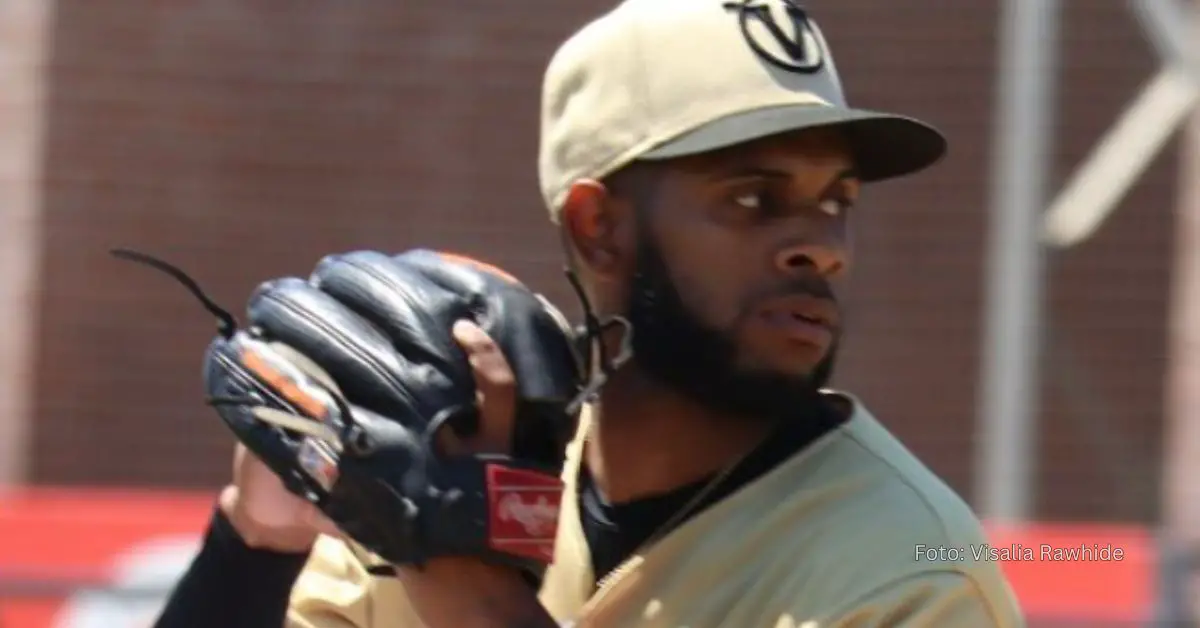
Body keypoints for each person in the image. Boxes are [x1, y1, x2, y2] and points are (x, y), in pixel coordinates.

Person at [154, 0, 1026, 626]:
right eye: (755, 198)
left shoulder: (909, 575)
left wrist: (475, 597)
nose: (821, 246)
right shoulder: (439, 461)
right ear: (596, 226)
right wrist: (259, 545)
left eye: (836, 199)